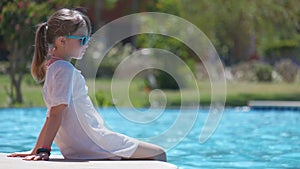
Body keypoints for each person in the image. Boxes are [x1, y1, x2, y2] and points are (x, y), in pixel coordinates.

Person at [8, 8, 166, 162]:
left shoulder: (54, 68)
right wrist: (44, 150)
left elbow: (51, 115)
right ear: (62, 41)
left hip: (79, 145)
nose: (87, 44)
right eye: (82, 40)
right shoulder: (65, 69)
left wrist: (36, 149)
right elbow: (56, 113)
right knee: (159, 154)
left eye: (88, 39)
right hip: (93, 142)